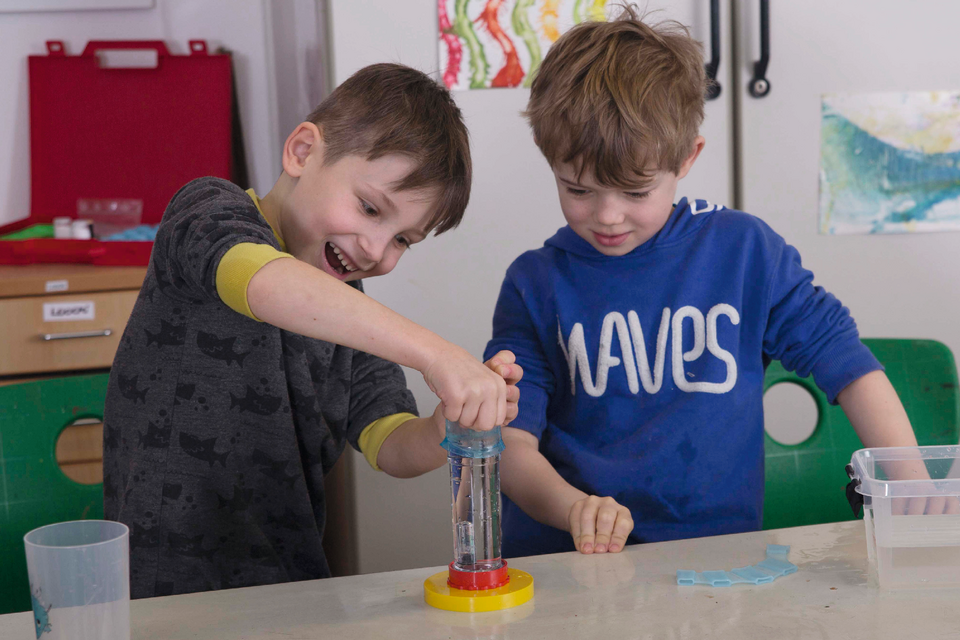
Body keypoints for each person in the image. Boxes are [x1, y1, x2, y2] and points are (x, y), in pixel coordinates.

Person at [484, 8, 924, 559]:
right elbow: (509, 441)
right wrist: (573, 507)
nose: (608, 215)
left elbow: (845, 361)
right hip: (570, 559)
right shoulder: (534, 282)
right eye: (578, 189)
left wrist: (911, 486)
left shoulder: (744, 254)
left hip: (713, 561)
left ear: (687, 157)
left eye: (637, 192)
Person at [103, 63, 522, 598]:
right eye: (370, 208)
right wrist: (439, 355)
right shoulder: (206, 211)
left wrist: (447, 424)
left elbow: (390, 443)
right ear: (302, 152)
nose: (375, 248)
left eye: (403, 241)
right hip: (164, 588)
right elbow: (266, 283)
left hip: (286, 587)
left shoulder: (349, 311)